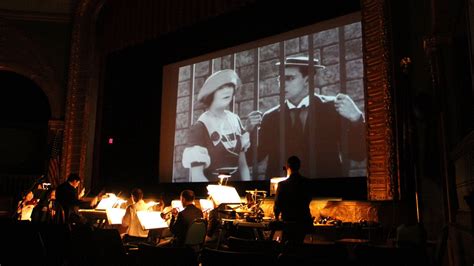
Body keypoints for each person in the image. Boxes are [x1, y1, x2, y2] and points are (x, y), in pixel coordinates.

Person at [246, 55, 366, 178]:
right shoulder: (270, 117)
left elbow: (357, 155)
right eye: (279, 79)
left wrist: (356, 118)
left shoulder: (332, 108)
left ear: (308, 80)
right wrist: (249, 132)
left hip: (324, 190)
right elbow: (251, 159)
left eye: (289, 78)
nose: (282, 84)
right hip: (284, 192)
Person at [182, 69, 251, 182]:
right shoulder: (200, 126)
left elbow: (243, 166)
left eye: (230, 86)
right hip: (213, 189)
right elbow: (197, 176)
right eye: (220, 88)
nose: (227, 91)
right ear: (210, 93)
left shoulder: (235, 120)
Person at [273, 156, 313, 245]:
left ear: (287, 167)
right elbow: (309, 198)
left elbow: (277, 205)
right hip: (304, 222)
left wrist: (276, 218)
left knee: (286, 246)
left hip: (288, 223)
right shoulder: (307, 183)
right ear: (299, 166)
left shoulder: (282, 185)